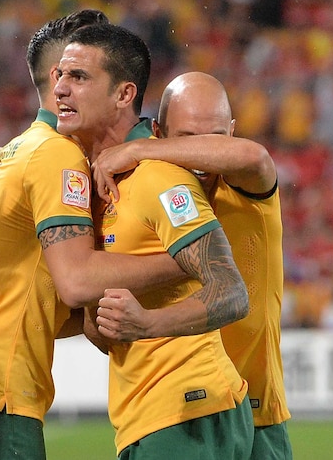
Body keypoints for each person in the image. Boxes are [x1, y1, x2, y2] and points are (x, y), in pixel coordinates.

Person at [0, 11, 188, 460]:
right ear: (57, 76)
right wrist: (182, 261)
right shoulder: (55, 155)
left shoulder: (13, 151)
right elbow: (78, 280)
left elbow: (34, 292)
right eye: (74, 70)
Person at [54, 24, 252, 458]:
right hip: (149, 418)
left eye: (79, 78)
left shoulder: (159, 178)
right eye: (58, 76)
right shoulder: (95, 186)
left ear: (124, 95)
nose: (60, 90)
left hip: (189, 412)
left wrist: (146, 325)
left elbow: (232, 292)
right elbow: (104, 330)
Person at [91, 71, 292, 460]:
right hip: (191, 408)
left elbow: (255, 156)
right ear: (159, 129)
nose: (202, 151)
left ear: (232, 132)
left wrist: (142, 150)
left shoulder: (246, 188)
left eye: (216, 136)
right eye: (186, 137)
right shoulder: (151, 197)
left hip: (257, 410)